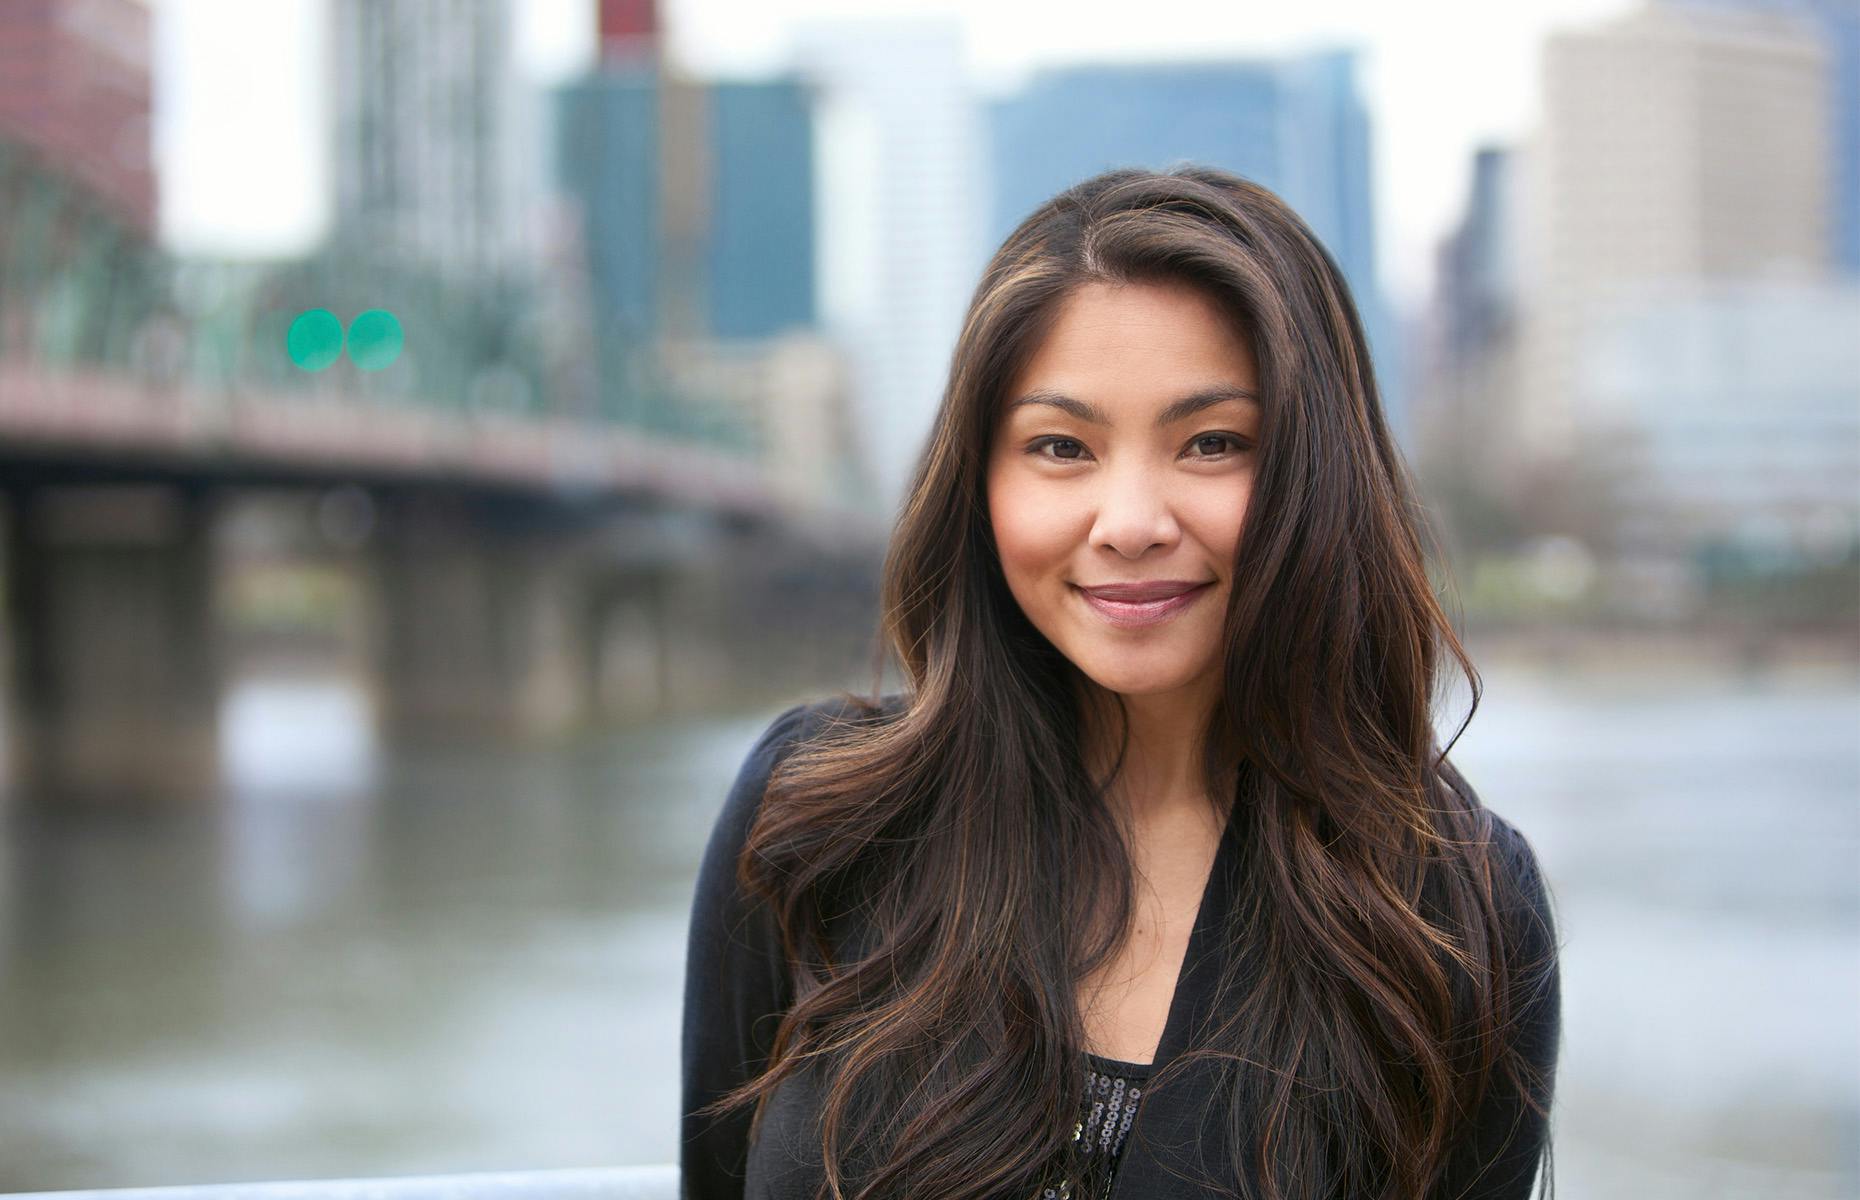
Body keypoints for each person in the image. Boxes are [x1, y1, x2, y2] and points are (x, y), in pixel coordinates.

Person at [681, 165, 1561, 1200]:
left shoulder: (1451, 911)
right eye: (1061, 446)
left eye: (1214, 443)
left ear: (1317, 473)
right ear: (982, 483)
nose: (1132, 521)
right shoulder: (818, 820)